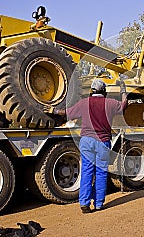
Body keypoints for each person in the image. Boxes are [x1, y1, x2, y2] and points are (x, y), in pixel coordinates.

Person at [49, 78, 127, 213]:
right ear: (104, 91)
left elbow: (67, 113)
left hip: (87, 141)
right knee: (101, 173)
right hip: (103, 142)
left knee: (87, 171)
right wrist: (123, 90)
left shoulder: (84, 103)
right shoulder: (111, 103)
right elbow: (124, 105)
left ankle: (84, 204)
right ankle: (98, 204)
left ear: (92, 91)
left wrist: (53, 110)